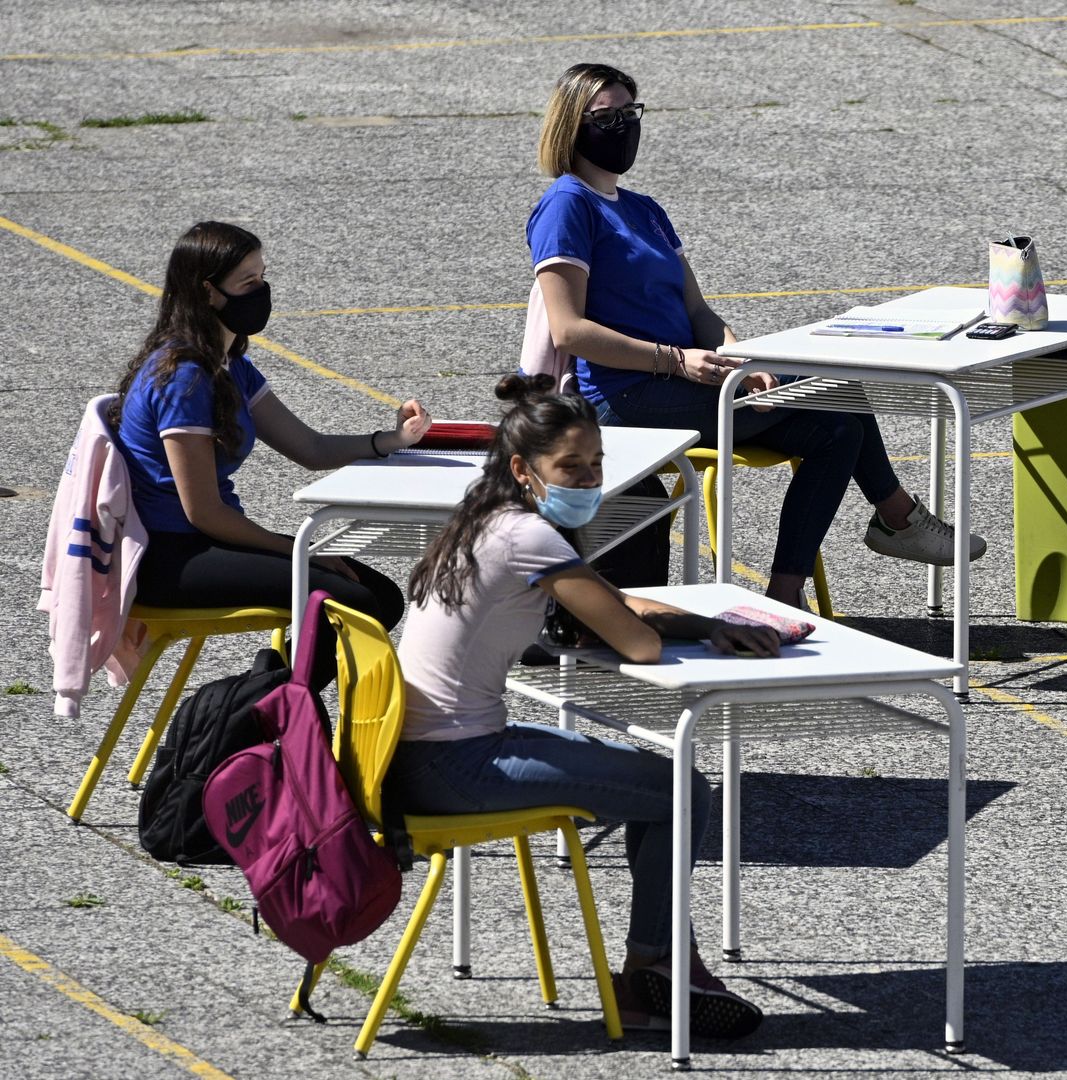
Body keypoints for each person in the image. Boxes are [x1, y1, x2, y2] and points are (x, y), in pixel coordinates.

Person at [393, 374, 780, 1038]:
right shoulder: (530, 537)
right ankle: (651, 971)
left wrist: (700, 624)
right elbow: (636, 641)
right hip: (458, 765)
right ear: (523, 469)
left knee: (657, 787)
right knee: (680, 788)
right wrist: (685, 628)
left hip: (414, 756)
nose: (588, 478)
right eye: (570, 466)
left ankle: (658, 968)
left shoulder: (481, 519)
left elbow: (612, 606)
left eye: (595, 464)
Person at [524, 62, 984, 612]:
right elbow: (569, 329)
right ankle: (897, 517)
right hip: (625, 396)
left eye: (631, 112)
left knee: (837, 430)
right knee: (838, 388)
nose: (624, 126)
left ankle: (786, 594)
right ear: (573, 125)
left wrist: (740, 357)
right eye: (607, 116)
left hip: (686, 380)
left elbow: (697, 309)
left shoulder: (645, 210)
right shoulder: (567, 204)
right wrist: (674, 361)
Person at [113, 221, 426, 685]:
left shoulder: (229, 364)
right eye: (249, 283)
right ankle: (258, 715)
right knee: (351, 603)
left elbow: (310, 447)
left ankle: (274, 700)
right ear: (208, 292)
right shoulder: (184, 377)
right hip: (171, 555)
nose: (262, 291)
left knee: (380, 596)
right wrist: (302, 553)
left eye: (262, 277)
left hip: (206, 543)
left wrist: (392, 440)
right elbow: (203, 512)